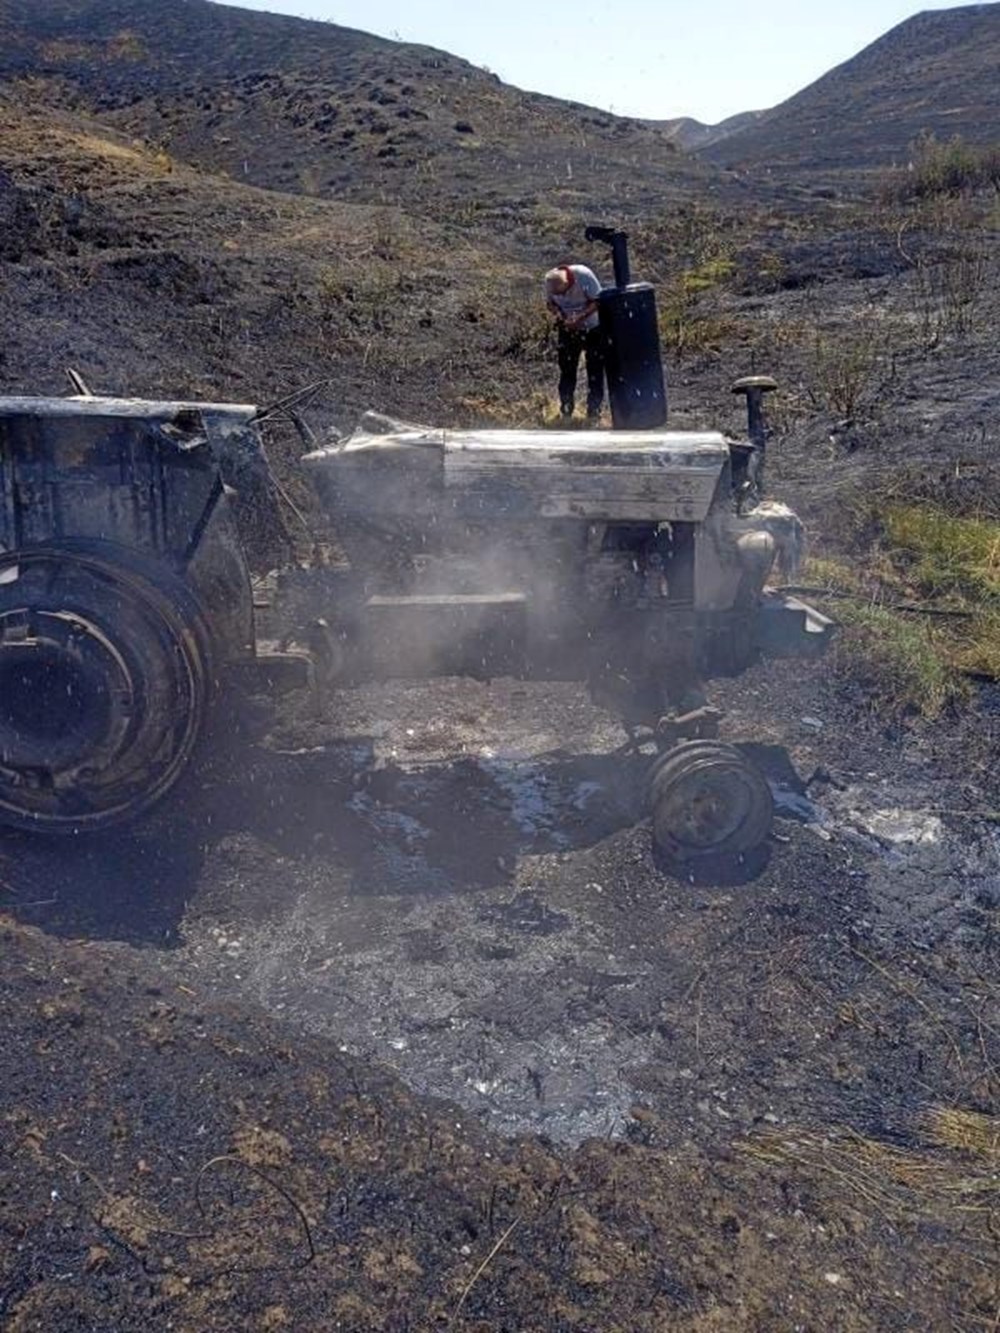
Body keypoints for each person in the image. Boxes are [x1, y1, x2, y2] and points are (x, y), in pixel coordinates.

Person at [544, 263, 605, 423]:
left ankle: (594, 413)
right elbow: (550, 304)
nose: (561, 296)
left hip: (593, 328)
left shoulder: (584, 275)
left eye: (562, 293)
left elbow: (599, 301)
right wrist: (560, 316)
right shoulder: (550, 282)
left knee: (595, 370)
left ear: (567, 284)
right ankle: (566, 411)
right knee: (567, 370)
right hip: (568, 330)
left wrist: (580, 317)